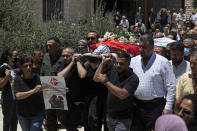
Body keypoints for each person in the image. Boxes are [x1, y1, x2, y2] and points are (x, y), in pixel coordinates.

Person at [130, 34, 176, 131]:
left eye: (144, 47)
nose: (141, 49)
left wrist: (168, 107)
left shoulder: (163, 62)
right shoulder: (133, 61)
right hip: (136, 106)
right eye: (140, 47)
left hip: (155, 107)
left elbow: (171, 86)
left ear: (152, 48)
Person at [93, 52, 139, 131]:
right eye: (117, 63)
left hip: (123, 118)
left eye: (121, 64)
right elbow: (96, 78)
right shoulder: (113, 70)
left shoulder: (133, 78)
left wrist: (106, 81)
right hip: (110, 116)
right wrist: (103, 62)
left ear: (128, 64)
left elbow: (122, 95)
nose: (118, 65)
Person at [57, 47, 87, 131]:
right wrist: (71, 64)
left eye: (67, 56)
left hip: (77, 101)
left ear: (73, 55)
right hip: (64, 100)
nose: (65, 58)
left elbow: (82, 75)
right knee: (64, 121)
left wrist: (76, 62)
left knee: (72, 125)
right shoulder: (62, 64)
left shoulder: (80, 63)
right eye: (63, 56)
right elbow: (60, 76)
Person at [14, 57, 45, 131]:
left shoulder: (38, 78)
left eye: (30, 65)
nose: (28, 68)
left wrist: (61, 90)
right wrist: (33, 90)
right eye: (25, 66)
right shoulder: (17, 79)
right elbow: (17, 96)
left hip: (37, 113)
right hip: (22, 114)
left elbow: (48, 90)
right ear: (21, 67)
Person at [40, 37, 64, 131]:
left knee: (63, 118)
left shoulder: (63, 56)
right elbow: (42, 70)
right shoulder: (46, 56)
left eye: (50, 46)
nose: (48, 47)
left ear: (58, 46)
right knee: (50, 119)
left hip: (60, 90)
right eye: (47, 46)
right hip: (47, 89)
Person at [0, 49, 18, 131]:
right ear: (9, 57)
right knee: (7, 120)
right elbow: (1, 84)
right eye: (15, 56)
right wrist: (7, 76)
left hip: (15, 98)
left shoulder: (14, 67)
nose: (17, 57)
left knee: (14, 120)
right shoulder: (3, 68)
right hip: (8, 98)